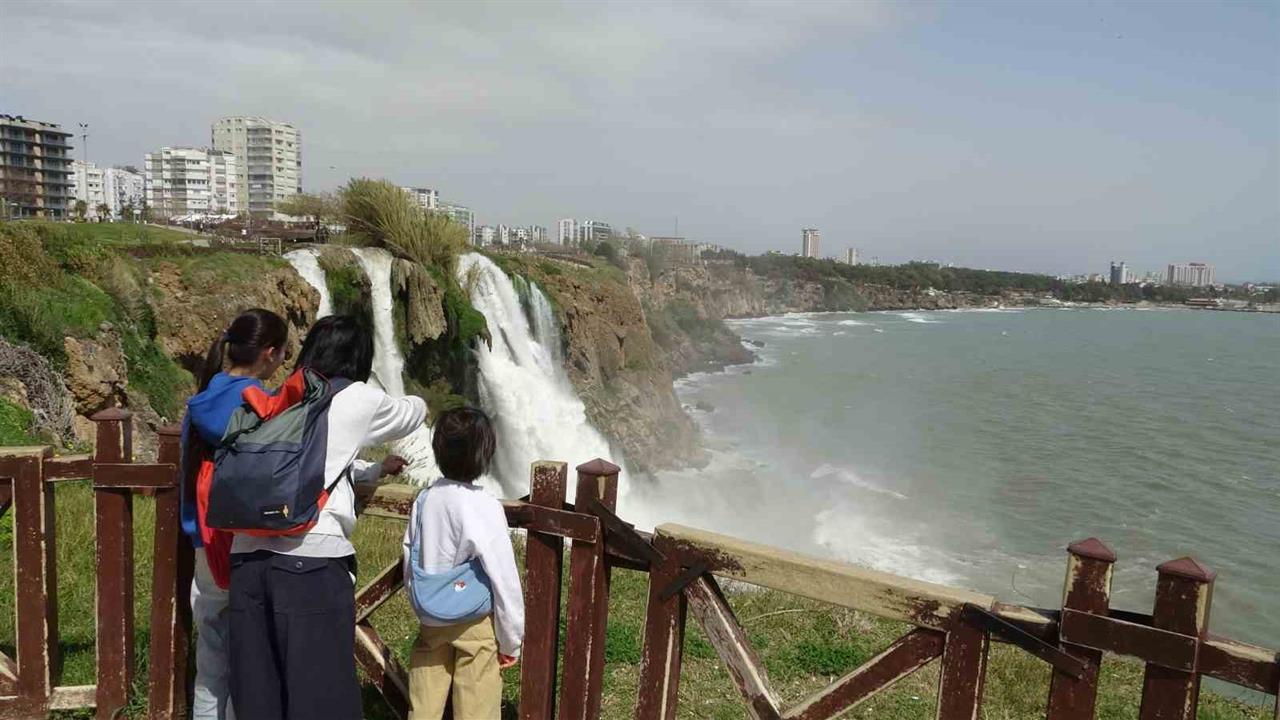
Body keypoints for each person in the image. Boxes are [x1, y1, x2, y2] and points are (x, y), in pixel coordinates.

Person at [227, 315, 422, 720]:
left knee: (259, 698)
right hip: (310, 566)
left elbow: (311, 461)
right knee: (320, 699)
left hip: (247, 560)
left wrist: (367, 470)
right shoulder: (356, 397)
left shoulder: (279, 396)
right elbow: (411, 414)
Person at [180, 308, 289, 720]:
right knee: (252, 651)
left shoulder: (200, 400)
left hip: (204, 536)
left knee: (211, 652)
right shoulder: (263, 402)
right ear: (269, 353)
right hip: (247, 539)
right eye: (284, 352)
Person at [402, 407, 524, 720]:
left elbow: (410, 554)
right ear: (485, 454)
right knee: (477, 705)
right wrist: (510, 639)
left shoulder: (425, 499)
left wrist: (420, 602)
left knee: (424, 702)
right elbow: (503, 576)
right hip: (474, 622)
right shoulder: (484, 504)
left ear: (438, 451)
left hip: (431, 617)